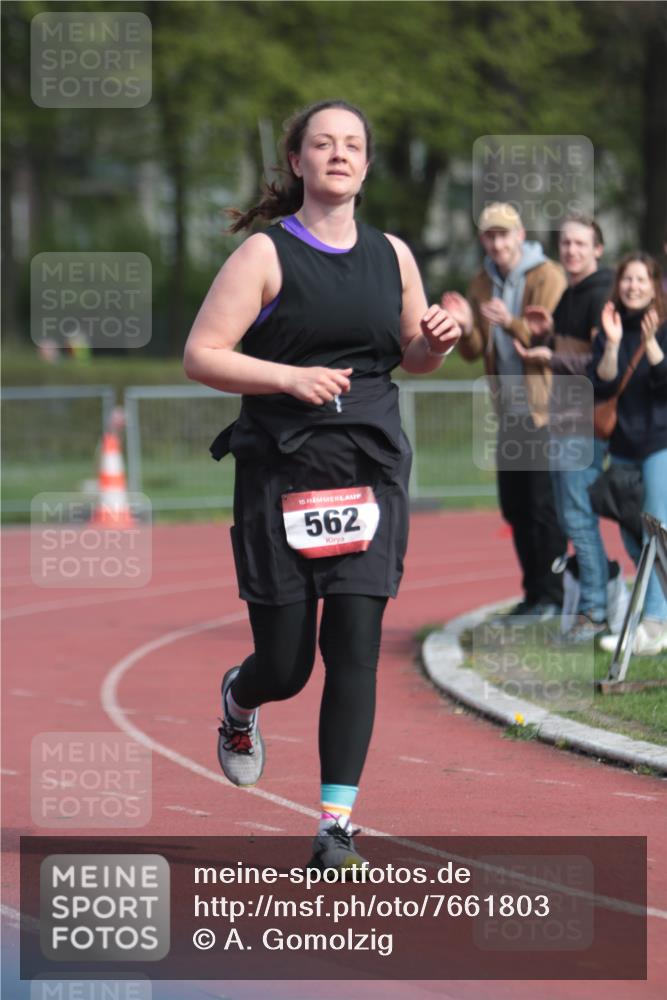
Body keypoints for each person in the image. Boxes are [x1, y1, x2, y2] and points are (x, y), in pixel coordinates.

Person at [183, 99, 461, 872]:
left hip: (368, 468)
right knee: (288, 665)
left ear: (366, 165)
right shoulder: (265, 256)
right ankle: (240, 701)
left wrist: (435, 343)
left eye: (352, 145)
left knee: (356, 647)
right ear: (297, 162)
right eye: (322, 144)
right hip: (281, 470)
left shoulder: (394, 256)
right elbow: (202, 354)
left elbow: (413, 357)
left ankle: (334, 825)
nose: (339, 154)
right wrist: (287, 377)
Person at [442, 203, 567, 618]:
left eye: (504, 235)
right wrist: (463, 326)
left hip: (544, 409)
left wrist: (509, 320)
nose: (497, 243)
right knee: (513, 505)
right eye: (490, 236)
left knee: (541, 506)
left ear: (520, 235)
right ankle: (532, 594)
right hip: (508, 409)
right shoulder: (482, 281)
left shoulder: (546, 274)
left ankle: (552, 596)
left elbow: (545, 331)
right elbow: (475, 350)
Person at [513, 212, 614, 642]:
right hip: (563, 421)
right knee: (570, 517)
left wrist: (548, 356)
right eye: (566, 243)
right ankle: (594, 603)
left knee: (578, 517)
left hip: (586, 424)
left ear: (598, 249)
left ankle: (595, 611)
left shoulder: (601, 293)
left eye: (580, 243)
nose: (570, 250)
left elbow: (600, 366)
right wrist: (548, 336)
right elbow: (568, 350)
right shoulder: (569, 295)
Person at [588, 252, 667, 655]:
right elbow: (601, 386)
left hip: (659, 445)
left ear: (654, 286)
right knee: (634, 536)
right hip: (621, 447)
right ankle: (656, 613)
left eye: (641, 280)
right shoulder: (609, 327)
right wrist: (613, 344)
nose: (633, 286)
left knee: (656, 532)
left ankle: (653, 624)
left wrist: (651, 344)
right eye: (627, 280)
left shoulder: (664, 328)